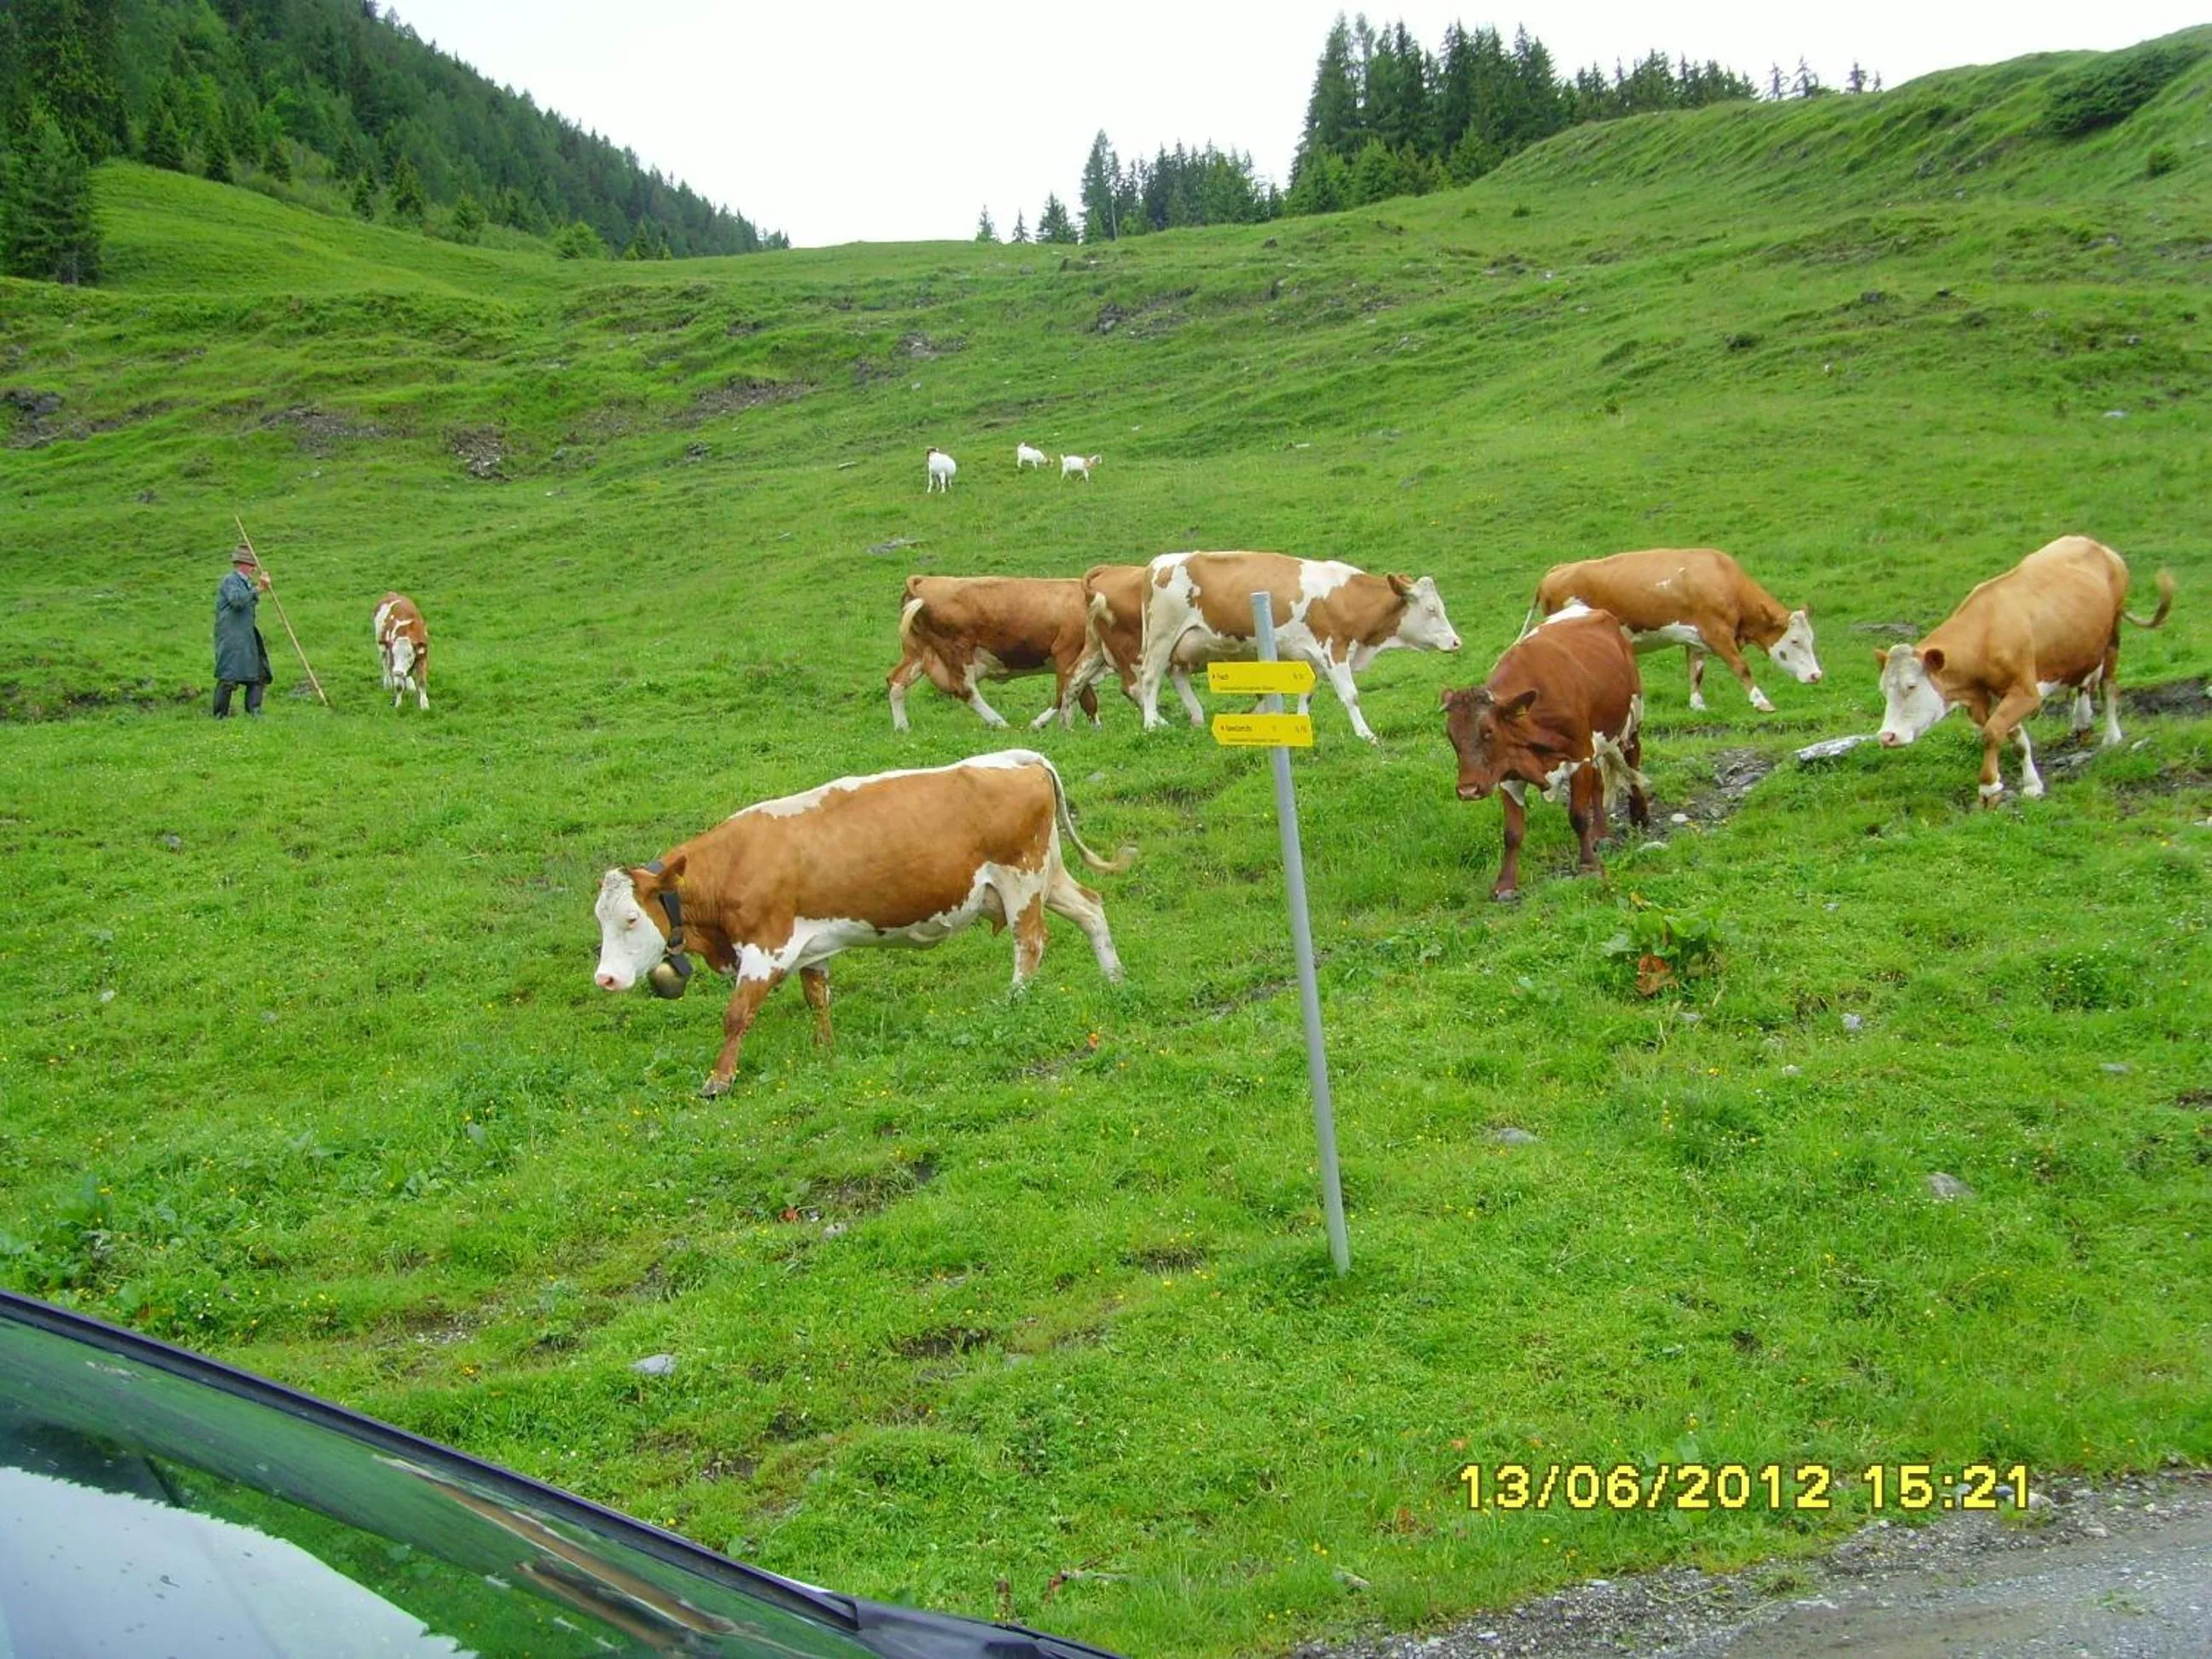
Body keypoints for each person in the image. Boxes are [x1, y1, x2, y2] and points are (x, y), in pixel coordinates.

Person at [213, 544, 273, 717]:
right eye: (251, 565)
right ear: (242, 564)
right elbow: (237, 601)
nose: (254, 568)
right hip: (232, 636)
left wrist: (259, 589)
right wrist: (258, 589)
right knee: (229, 676)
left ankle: (254, 712)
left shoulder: (246, 583)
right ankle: (220, 715)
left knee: (257, 673)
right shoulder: (230, 581)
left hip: (247, 635)